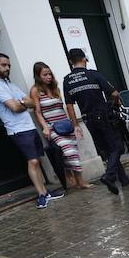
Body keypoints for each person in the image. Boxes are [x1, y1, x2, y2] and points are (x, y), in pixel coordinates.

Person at [0, 52, 63, 209]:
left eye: (9, 65)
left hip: (29, 126)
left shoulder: (9, 84)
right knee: (32, 161)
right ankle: (41, 194)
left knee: (38, 160)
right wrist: (22, 103)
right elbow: (14, 107)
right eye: (4, 65)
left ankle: (45, 192)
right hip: (17, 129)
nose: (7, 68)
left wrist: (22, 102)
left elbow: (32, 103)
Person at [63, 48, 129, 194]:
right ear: (84, 59)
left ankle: (123, 179)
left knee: (107, 149)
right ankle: (109, 176)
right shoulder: (93, 74)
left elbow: (69, 106)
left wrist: (75, 125)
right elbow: (114, 93)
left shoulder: (67, 80)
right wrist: (115, 103)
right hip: (104, 115)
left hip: (88, 120)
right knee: (117, 147)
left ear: (70, 62)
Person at [30, 62, 90, 190]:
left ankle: (80, 182)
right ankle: (71, 174)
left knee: (74, 153)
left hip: (65, 125)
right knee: (69, 151)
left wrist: (74, 125)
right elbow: (38, 112)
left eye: (50, 74)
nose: (49, 77)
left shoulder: (55, 88)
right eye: (45, 75)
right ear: (38, 76)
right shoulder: (35, 90)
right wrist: (45, 127)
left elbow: (62, 108)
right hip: (52, 128)